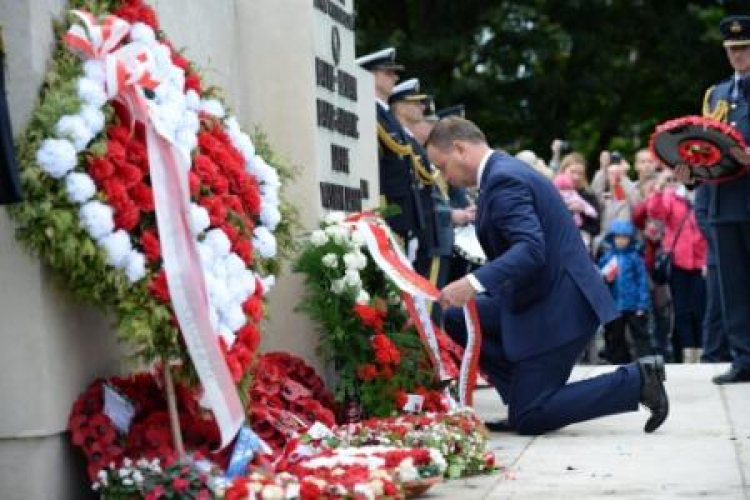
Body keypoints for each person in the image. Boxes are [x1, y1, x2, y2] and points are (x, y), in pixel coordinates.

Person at [425, 117, 668, 435]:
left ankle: (637, 380)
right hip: (536, 296)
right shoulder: (501, 172)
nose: (446, 178)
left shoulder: (503, 179)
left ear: (459, 148)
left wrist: (473, 283)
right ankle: (522, 393)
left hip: (561, 306)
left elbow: (530, 249)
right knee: (458, 316)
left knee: (531, 417)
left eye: (443, 167)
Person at [683, 15, 750, 382]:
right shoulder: (717, 94)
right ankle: (743, 358)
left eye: (743, 49)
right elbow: (707, 148)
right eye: (732, 50)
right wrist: (690, 170)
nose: (737, 56)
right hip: (724, 201)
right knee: (733, 285)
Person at [356, 48, 426, 265]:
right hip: (391, 214)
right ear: (370, 75)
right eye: (388, 72)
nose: (395, 77)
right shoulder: (370, 110)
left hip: (403, 216)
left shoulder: (385, 115)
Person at [645, 172, 707, 363]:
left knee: (700, 309)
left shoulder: (703, 195)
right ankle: (688, 354)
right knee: (681, 310)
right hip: (678, 262)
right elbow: (655, 213)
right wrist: (658, 189)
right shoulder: (671, 196)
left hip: (701, 262)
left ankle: (703, 350)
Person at [389, 78, 445, 287]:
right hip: (410, 225)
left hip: (422, 226)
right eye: (415, 102)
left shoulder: (409, 141)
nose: (422, 107)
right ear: (399, 107)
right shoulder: (399, 138)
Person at [598, 220, 652, 363]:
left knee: (640, 336)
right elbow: (600, 279)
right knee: (616, 337)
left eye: (624, 237)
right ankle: (619, 363)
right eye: (618, 237)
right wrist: (605, 278)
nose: (621, 241)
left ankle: (647, 363)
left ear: (630, 239)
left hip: (633, 305)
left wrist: (642, 304)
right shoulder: (608, 258)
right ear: (613, 238)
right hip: (615, 305)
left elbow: (642, 282)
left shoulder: (635, 258)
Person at [558, 152, 602, 254]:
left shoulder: (589, 196)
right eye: (572, 172)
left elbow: (596, 226)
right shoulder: (554, 192)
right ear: (563, 171)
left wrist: (582, 211)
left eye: (580, 173)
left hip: (581, 247)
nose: (576, 177)